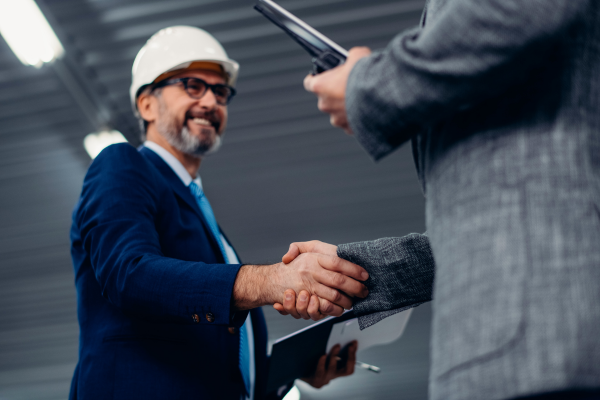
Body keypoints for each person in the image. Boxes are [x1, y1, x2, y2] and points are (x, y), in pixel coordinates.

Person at [274, 1, 600, 399]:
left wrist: (367, 86)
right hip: (521, 346)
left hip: (548, 345)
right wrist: (343, 271)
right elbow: (485, 226)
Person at [69, 26, 367, 400]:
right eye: (192, 85)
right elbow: (128, 275)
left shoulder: (207, 227)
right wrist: (270, 280)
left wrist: (296, 372)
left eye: (220, 92)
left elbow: (222, 368)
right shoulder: (121, 164)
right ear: (146, 103)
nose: (211, 101)